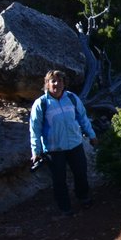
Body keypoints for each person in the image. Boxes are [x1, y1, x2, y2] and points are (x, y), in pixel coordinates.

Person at [30, 70, 99, 216]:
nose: (57, 84)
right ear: (47, 84)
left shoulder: (72, 98)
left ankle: (83, 197)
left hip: (75, 144)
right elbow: (35, 129)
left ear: (64, 83)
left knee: (80, 173)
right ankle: (65, 207)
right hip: (54, 149)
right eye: (53, 81)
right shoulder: (41, 104)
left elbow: (83, 118)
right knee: (59, 180)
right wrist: (36, 151)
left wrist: (92, 135)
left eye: (60, 81)